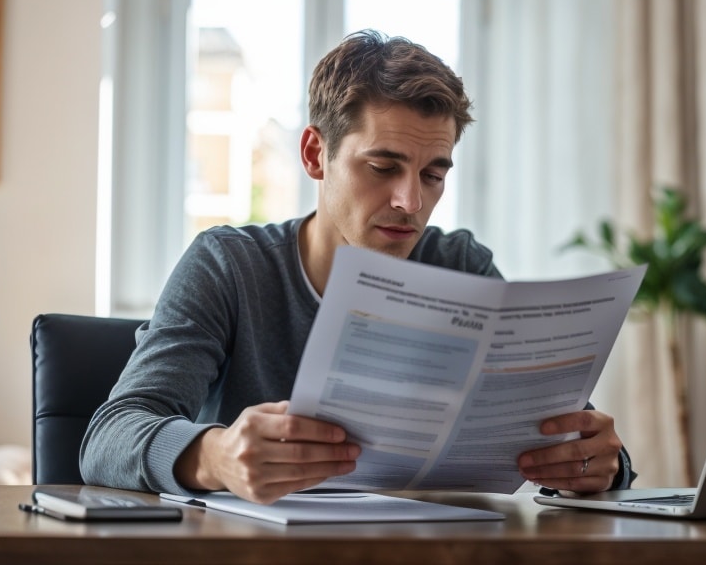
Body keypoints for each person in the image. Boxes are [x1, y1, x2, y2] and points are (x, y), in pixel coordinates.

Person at [80, 30, 635, 504]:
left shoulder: (460, 265)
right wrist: (216, 456)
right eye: (382, 167)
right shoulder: (229, 266)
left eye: (433, 175)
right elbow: (108, 436)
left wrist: (601, 466)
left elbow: (570, 434)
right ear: (315, 155)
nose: (410, 201)